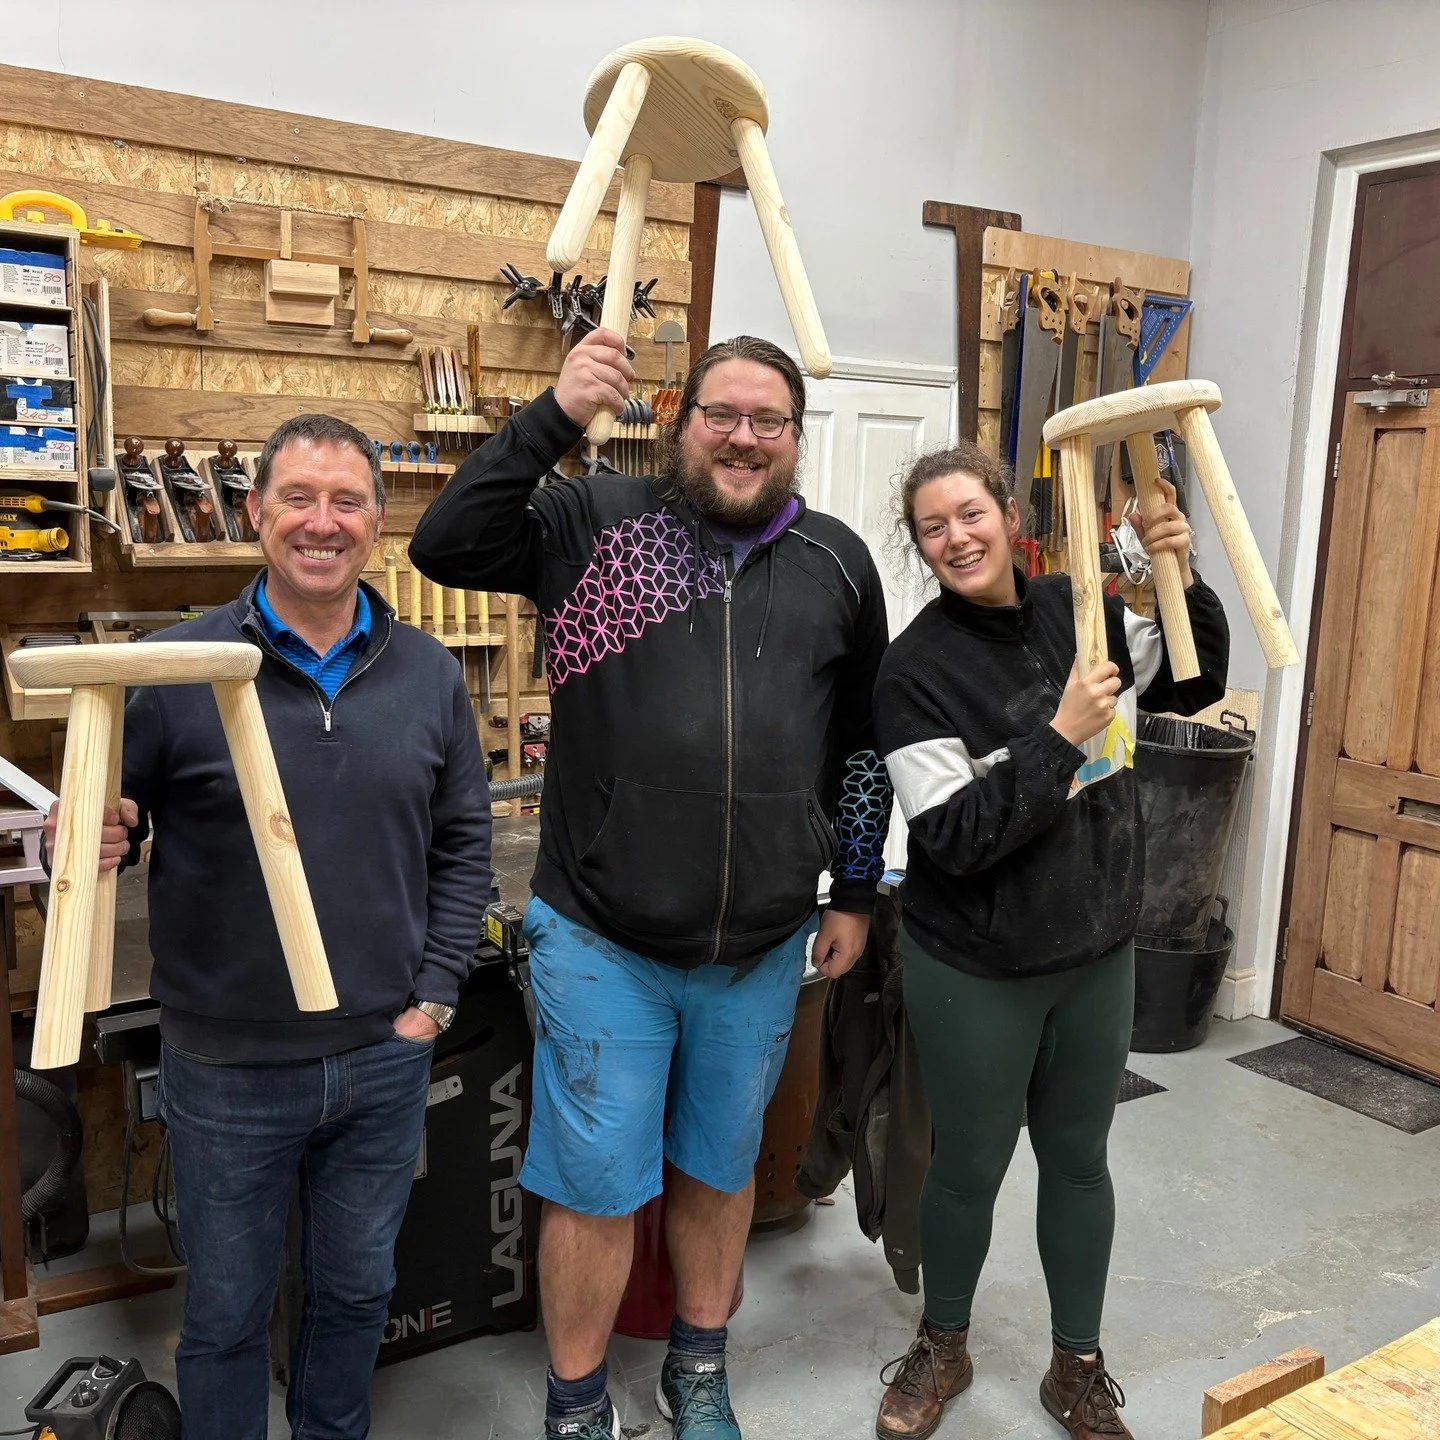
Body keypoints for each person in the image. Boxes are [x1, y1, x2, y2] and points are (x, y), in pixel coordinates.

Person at [408, 327, 892, 1440]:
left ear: (795, 437)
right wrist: (555, 415)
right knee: (593, 1183)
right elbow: (445, 540)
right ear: (680, 423)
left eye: (768, 420)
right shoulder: (595, 524)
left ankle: (698, 1371)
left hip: (760, 945)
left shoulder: (835, 562)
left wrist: (855, 890)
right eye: (721, 414)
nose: (743, 437)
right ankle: (577, 1401)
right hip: (602, 936)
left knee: (720, 1171)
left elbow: (861, 743)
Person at [45, 413, 492, 1440]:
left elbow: (464, 841)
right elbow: (113, 817)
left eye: (347, 502)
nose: (322, 523)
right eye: (298, 498)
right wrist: (96, 831)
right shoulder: (172, 667)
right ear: (256, 511)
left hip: (382, 1058)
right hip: (227, 1068)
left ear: (378, 521)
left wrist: (433, 997)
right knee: (226, 1315)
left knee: (356, 1295)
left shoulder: (427, 673)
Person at [871, 443, 1229, 1440]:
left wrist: (1177, 571)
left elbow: (1191, 681)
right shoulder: (914, 673)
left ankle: (1077, 1367)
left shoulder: (1080, 611)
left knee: (1079, 1161)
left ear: (1008, 514)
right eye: (933, 527)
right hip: (975, 965)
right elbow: (955, 837)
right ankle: (943, 1344)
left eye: (970, 513)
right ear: (919, 547)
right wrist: (1062, 732)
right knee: (967, 1166)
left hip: (1094, 951)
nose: (957, 537)